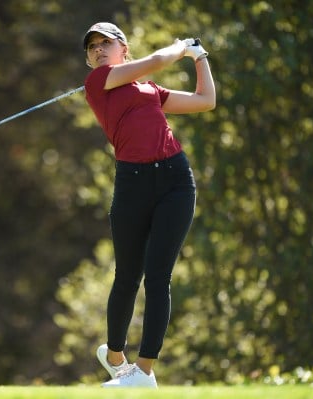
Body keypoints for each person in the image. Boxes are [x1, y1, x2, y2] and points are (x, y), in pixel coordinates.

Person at [82, 22, 216, 388]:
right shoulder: (99, 82)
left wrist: (200, 56)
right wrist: (182, 45)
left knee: (159, 277)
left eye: (104, 43)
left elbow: (205, 101)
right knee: (127, 276)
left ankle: (144, 372)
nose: (96, 50)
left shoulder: (149, 89)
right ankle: (115, 358)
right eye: (91, 47)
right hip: (132, 183)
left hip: (175, 179)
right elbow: (157, 59)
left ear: (123, 47)